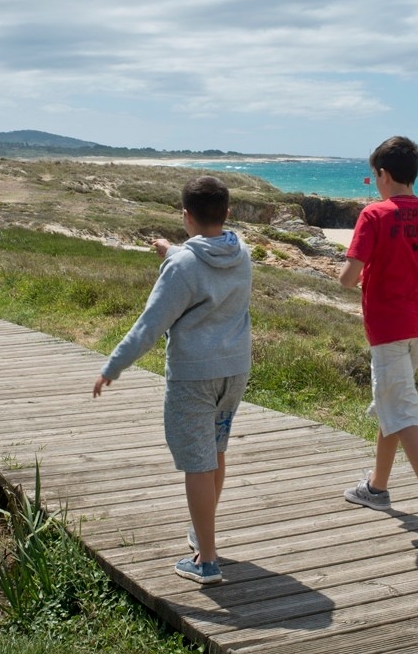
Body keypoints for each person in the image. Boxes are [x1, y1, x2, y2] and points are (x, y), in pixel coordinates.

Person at [92, 175, 252, 584]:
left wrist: (112, 367)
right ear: (227, 212)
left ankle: (207, 560)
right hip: (234, 371)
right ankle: (202, 534)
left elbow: (150, 325)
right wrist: (172, 251)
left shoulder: (182, 266)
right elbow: (203, 262)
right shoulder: (241, 253)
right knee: (215, 452)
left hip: (194, 376)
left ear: (185, 215)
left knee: (197, 464)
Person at [339, 136, 418, 541]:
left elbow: (348, 278)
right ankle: (376, 488)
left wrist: (347, 273)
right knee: (392, 403)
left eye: (375, 175)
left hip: (389, 327)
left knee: (404, 413)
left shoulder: (374, 214)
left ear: (383, 174)